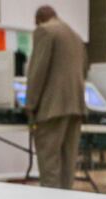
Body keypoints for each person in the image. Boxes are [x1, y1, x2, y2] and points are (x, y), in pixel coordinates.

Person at [25, 6, 87, 189]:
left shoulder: (45, 31)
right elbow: (83, 71)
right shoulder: (76, 37)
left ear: (39, 19)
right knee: (67, 168)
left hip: (52, 109)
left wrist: (30, 104)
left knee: (50, 167)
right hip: (75, 108)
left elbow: (38, 71)